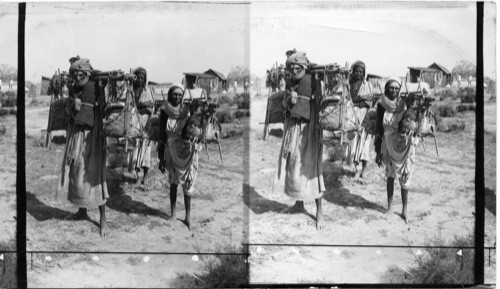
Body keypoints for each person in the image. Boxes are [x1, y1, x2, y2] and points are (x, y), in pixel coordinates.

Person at [57, 58, 109, 236]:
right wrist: (73, 106)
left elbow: (104, 107)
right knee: (77, 172)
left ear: (88, 74)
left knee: (95, 176)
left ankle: (103, 219)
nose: (78, 77)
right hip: (77, 135)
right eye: (75, 74)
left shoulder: (96, 86)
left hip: (92, 137)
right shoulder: (73, 88)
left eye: (81, 74)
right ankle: (82, 210)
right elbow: (68, 110)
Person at [278, 51, 325, 230]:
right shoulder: (290, 82)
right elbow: (284, 103)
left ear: (305, 67)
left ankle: (319, 212)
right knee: (294, 165)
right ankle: (299, 204)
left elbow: (322, 101)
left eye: (298, 66)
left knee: (312, 168)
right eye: (291, 66)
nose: (294, 69)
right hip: (293, 129)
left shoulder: (314, 80)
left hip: (310, 129)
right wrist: (290, 99)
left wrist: (314, 99)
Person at [374, 77, 417, 223]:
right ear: (386, 89)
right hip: (388, 144)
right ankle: (390, 207)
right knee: (390, 176)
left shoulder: (404, 103)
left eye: (396, 88)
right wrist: (378, 150)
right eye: (391, 88)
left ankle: (405, 210)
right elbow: (379, 128)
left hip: (403, 145)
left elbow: (410, 117)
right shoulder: (381, 104)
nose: (394, 91)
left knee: (405, 177)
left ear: (399, 90)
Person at [158, 84, 200, 230]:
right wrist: (161, 157)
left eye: (179, 95)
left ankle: (188, 217)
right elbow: (162, 135)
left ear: (183, 96)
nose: (177, 97)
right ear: (170, 95)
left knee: (188, 183)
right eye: (174, 94)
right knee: (173, 183)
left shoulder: (187, 110)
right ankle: (173, 214)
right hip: (171, 149)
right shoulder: (164, 111)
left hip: (186, 151)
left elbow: (194, 124)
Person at [344, 61, 374, 180]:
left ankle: (364, 170)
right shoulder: (348, 84)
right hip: (352, 117)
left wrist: (360, 101)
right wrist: (361, 98)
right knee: (354, 144)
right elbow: (348, 100)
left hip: (365, 118)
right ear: (353, 71)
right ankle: (357, 169)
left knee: (364, 145)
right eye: (357, 71)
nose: (359, 74)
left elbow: (369, 102)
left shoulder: (368, 85)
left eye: (361, 72)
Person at [127, 67, 154, 186]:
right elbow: (129, 106)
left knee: (146, 152)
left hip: (146, 124)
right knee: (136, 151)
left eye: (143, 78)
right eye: (138, 77)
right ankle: (138, 176)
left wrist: (140, 105)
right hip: (134, 124)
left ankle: (145, 177)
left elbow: (150, 107)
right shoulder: (131, 90)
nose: (140, 80)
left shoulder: (147, 91)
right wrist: (142, 106)